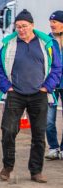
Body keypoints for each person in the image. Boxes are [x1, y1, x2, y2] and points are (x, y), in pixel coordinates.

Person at [0, 9, 62, 183]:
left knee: (39, 134)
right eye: (18, 26)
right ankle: (7, 166)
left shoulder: (46, 43)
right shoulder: (8, 44)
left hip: (39, 94)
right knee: (8, 131)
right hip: (15, 94)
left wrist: (48, 87)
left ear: (32, 25)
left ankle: (36, 171)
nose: (21, 29)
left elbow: (56, 68)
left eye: (24, 26)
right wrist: (6, 87)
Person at [45, 10, 63, 160]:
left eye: (55, 22)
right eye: (51, 22)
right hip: (51, 84)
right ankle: (53, 147)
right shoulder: (47, 40)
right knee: (48, 119)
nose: (52, 25)